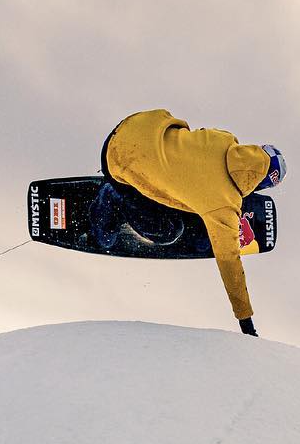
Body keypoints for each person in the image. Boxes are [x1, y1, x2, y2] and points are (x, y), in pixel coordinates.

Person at [101, 110, 285, 337]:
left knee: (187, 184)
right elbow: (230, 264)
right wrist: (245, 321)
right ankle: (112, 200)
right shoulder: (224, 207)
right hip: (118, 160)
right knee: (168, 232)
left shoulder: (224, 138)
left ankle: (153, 189)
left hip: (139, 124)